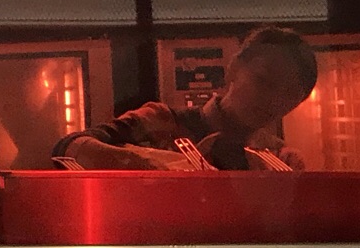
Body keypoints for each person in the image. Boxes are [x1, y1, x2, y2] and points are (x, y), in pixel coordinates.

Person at [53, 26, 319, 171]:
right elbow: (67, 148)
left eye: (288, 95)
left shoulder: (278, 159)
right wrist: (153, 163)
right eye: (263, 81)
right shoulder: (159, 122)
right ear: (234, 69)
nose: (272, 100)